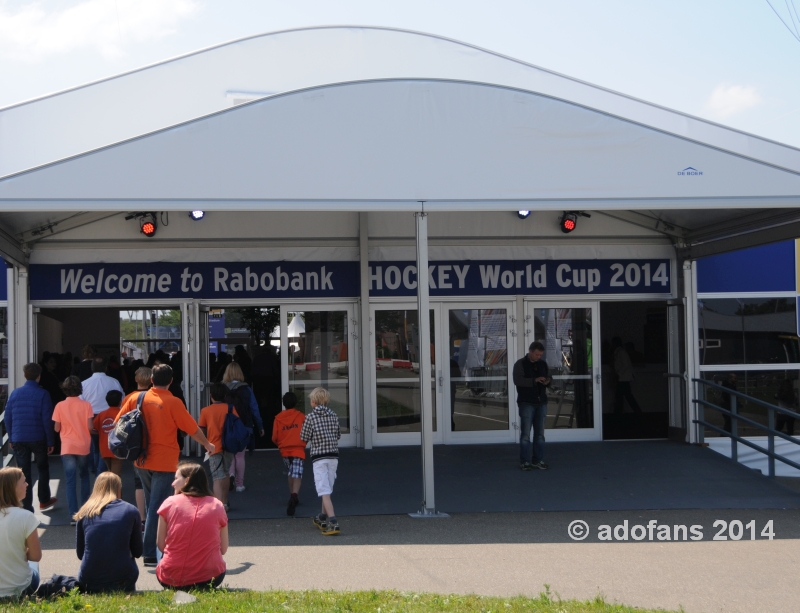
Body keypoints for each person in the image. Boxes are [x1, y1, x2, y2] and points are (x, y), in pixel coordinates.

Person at [115, 363, 214, 567]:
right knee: (157, 508)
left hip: (140, 459)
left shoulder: (135, 398)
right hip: (165, 461)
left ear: (151, 379)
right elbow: (192, 429)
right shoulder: (173, 402)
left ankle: (152, 547)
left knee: (153, 505)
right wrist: (207, 444)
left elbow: (119, 423)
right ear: (171, 381)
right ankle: (150, 552)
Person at [156, 462, 228, 590]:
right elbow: (223, 549)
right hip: (210, 578)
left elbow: (161, 545)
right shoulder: (217, 505)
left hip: (170, 578)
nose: (172, 483)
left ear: (187, 480)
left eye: (176, 478)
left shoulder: (169, 503)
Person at [74, 472, 141, 593]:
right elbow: (138, 551)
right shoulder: (130, 510)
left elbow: (80, 554)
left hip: (90, 580)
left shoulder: (84, 513)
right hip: (122, 580)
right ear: (119, 489)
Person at [5, 363, 57, 513]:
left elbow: (8, 417)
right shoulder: (43, 394)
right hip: (38, 437)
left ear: (24, 375)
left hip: (19, 437)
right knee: (42, 468)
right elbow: (47, 420)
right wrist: (50, 441)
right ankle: (44, 499)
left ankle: (26, 507)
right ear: (39, 376)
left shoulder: (15, 393)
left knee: (23, 472)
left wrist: (12, 437)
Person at [52, 376, 94, 522]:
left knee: (70, 481)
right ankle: (85, 511)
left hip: (67, 446)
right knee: (84, 477)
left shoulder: (59, 406)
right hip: (83, 445)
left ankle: (73, 515)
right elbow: (90, 427)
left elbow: (56, 428)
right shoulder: (87, 405)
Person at [300, 387, 341, 536]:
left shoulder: (310, 417)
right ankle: (321, 517)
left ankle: (333, 522)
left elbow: (304, 437)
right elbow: (338, 435)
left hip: (319, 457)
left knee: (323, 490)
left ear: (314, 401)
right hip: (333, 457)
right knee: (327, 490)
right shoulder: (334, 415)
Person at [0, 467, 43, 599]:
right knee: (33, 564)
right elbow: (36, 556)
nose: (27, 484)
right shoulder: (26, 517)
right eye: (23, 482)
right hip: (20, 588)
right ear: (13, 487)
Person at [222, 362, 265, 493]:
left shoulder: (222, 389)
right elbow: (254, 408)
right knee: (240, 456)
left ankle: (231, 476)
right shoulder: (246, 389)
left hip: (228, 426)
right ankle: (240, 484)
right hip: (244, 426)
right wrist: (260, 425)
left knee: (229, 454)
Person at [80, 357, 124, 474]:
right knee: (107, 446)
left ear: (91, 368)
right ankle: (101, 472)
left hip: (92, 418)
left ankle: (95, 470)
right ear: (106, 368)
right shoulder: (114, 382)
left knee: (95, 446)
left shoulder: (84, 384)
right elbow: (122, 400)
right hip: (111, 417)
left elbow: (80, 405)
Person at [513, 341, 551, 471]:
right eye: (536, 354)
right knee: (525, 434)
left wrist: (547, 381)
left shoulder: (543, 364)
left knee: (540, 434)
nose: (538, 357)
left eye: (540, 355)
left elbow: (549, 377)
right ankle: (524, 461)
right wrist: (534, 381)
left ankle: (538, 460)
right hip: (526, 402)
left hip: (541, 402)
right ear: (530, 351)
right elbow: (517, 381)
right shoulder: (520, 364)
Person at [199, 383, 237, 511]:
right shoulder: (230, 408)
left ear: (211, 396)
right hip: (229, 445)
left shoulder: (205, 411)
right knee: (226, 473)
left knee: (216, 477)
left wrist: (204, 444)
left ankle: (218, 507)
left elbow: (201, 430)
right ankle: (225, 502)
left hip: (213, 447)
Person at [122, 367, 152, 525]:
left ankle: (142, 517)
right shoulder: (156, 397)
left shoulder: (129, 398)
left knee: (138, 481)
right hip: (154, 443)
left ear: (136, 380)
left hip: (136, 444)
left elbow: (120, 422)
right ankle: (155, 516)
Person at [272, 391, 306, 516]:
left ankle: (292, 493)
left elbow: (274, 437)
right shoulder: (301, 416)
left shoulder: (278, 418)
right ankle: (294, 495)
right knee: (297, 474)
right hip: (298, 449)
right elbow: (306, 432)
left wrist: (281, 444)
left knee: (290, 472)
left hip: (285, 451)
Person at [93, 390, 124, 476]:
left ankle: (107, 488)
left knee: (107, 473)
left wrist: (100, 433)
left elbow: (92, 428)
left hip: (104, 448)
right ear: (120, 401)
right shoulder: (123, 413)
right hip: (118, 448)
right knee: (115, 475)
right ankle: (115, 489)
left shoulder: (101, 414)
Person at [612, 337, 642, 415]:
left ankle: (619, 412)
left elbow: (625, 365)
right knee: (624, 396)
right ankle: (620, 412)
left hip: (623, 378)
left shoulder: (620, 352)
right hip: (623, 378)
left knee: (622, 396)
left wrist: (618, 373)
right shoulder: (620, 352)